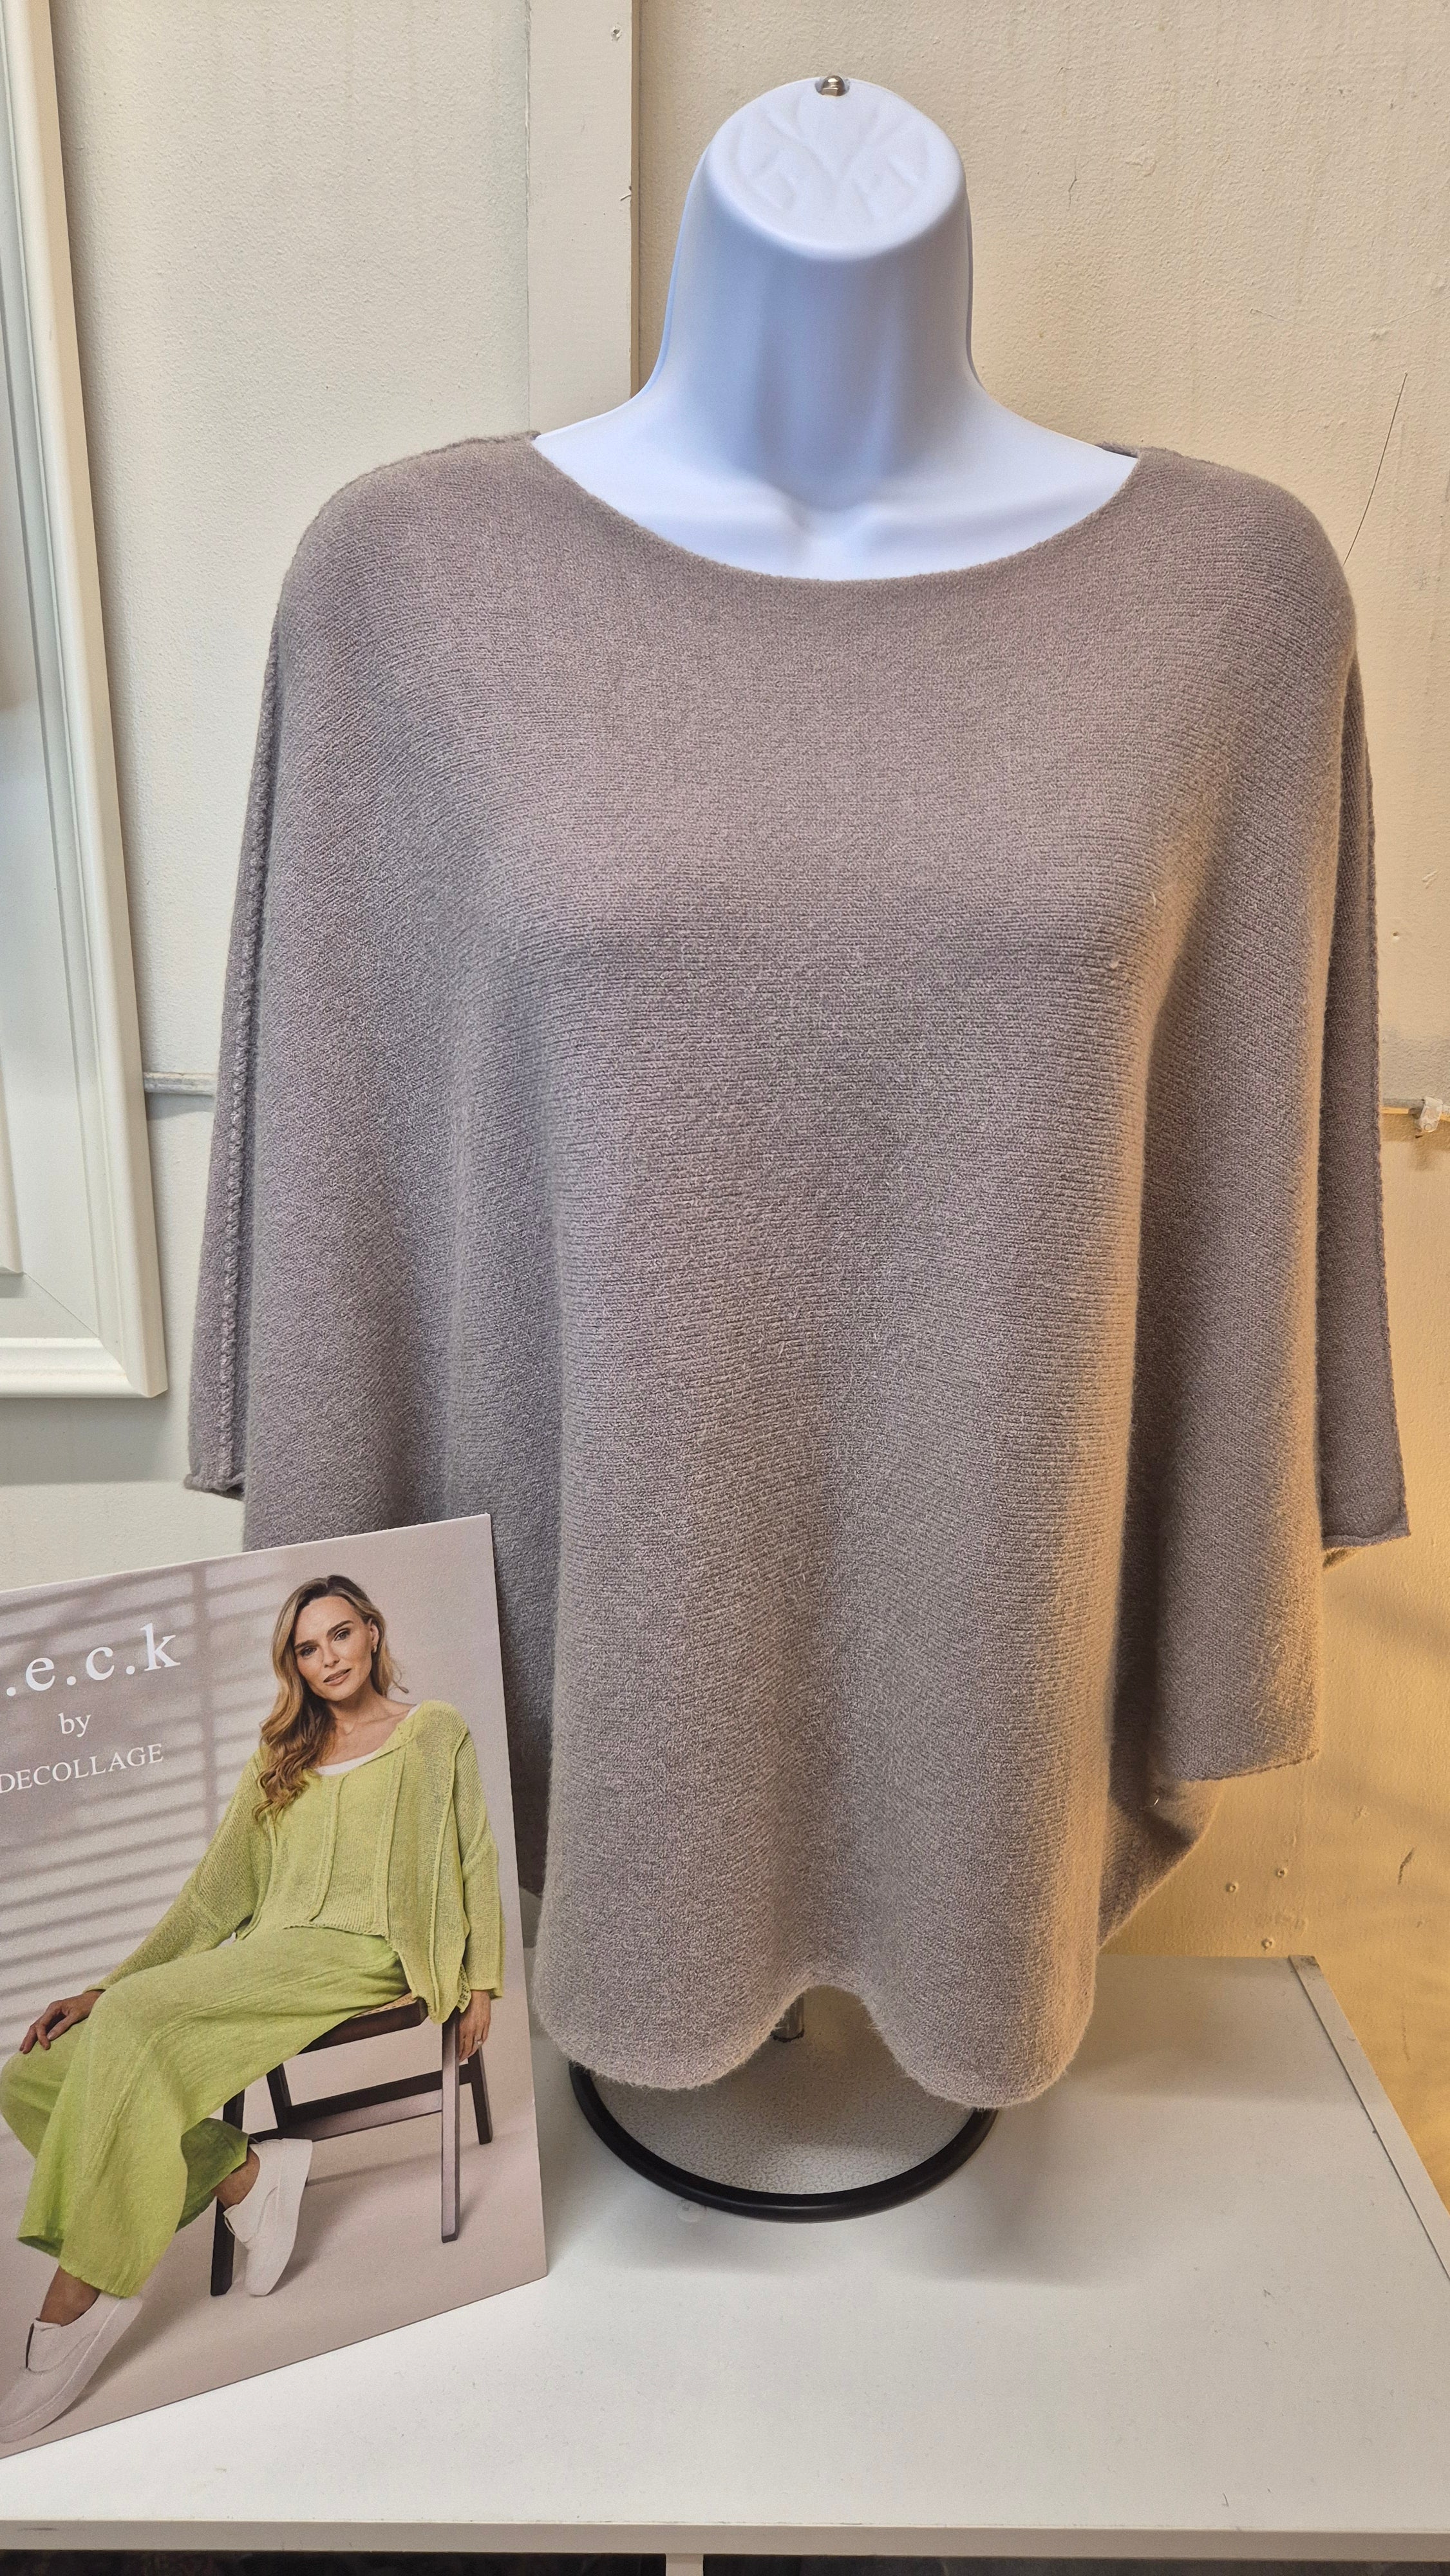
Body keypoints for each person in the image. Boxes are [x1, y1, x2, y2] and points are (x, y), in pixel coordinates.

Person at [0, 1573, 505, 2441]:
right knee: (29, 2077)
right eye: (308, 1649)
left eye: (340, 1635)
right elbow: (211, 1898)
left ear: (373, 1632)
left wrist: (483, 1980)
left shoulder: (433, 1732)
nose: (328, 1658)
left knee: (137, 2028)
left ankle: (84, 2293)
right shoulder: (281, 1759)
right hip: (276, 1950)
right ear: (294, 1666)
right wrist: (105, 1988)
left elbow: (473, 1853)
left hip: (367, 1954)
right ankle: (246, 2174)